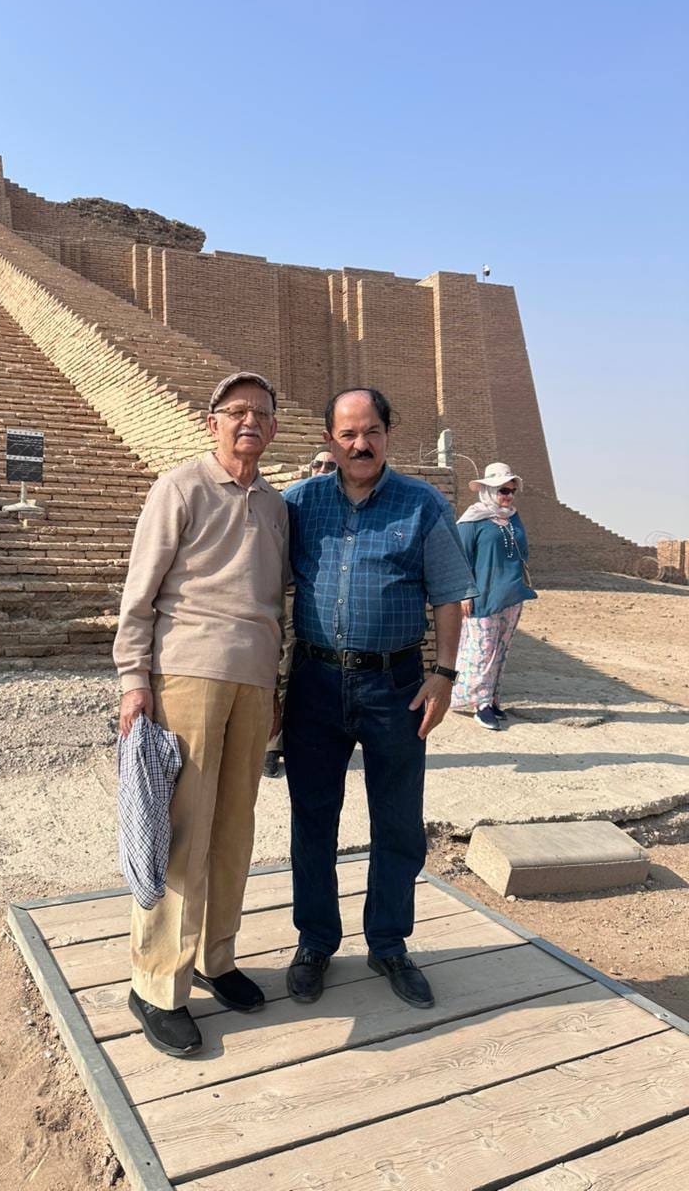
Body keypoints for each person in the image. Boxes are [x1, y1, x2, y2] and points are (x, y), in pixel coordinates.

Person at [281, 387, 476, 1010]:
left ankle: (388, 943)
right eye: (348, 434)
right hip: (315, 682)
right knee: (313, 818)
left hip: (396, 687)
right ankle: (315, 941)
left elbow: (448, 594)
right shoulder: (299, 503)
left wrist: (444, 675)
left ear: (388, 434)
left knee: (397, 820)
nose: (360, 445)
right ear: (329, 440)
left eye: (372, 432)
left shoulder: (422, 504)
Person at [113, 371, 288, 1057]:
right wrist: (134, 679)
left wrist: (274, 684)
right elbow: (141, 591)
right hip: (187, 671)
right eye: (236, 411)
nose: (250, 422)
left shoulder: (275, 505)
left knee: (234, 828)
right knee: (183, 830)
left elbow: (275, 602)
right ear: (211, 423)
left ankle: (217, 957)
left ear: (273, 429)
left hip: (253, 680)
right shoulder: (180, 487)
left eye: (261, 414)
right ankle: (157, 983)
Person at [261, 449, 337, 779]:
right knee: (284, 662)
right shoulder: (295, 501)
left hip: (328, 599)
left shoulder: (346, 505)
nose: (323, 469)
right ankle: (271, 744)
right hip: (292, 592)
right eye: (317, 464)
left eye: (330, 465)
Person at [451, 462, 537, 729]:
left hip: (511, 594)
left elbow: (522, 553)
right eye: (503, 490)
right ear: (488, 490)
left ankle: (491, 698)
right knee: (482, 651)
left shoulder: (512, 518)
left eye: (512, 491)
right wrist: (464, 594)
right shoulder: (472, 521)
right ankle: (479, 703)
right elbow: (459, 559)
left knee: (501, 650)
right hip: (482, 597)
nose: (508, 496)